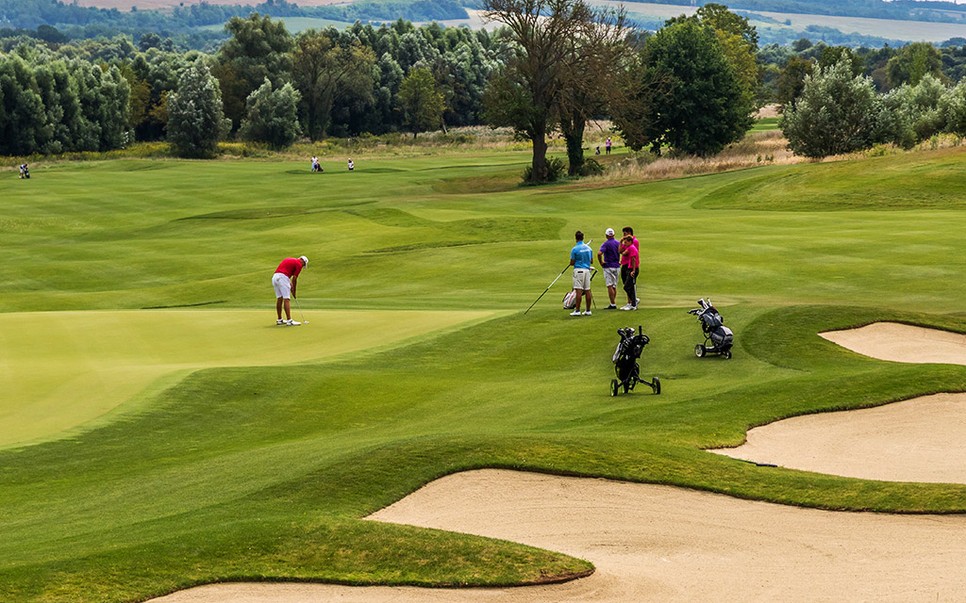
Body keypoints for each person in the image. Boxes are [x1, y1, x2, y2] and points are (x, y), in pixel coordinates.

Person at [273, 255, 308, 326]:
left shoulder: (290, 259)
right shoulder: (299, 264)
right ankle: (289, 320)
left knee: (279, 298)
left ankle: (279, 319)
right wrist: (294, 291)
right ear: (303, 261)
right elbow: (294, 278)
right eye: (304, 264)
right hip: (282, 278)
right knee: (287, 299)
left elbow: (284, 271)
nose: (302, 266)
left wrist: (289, 282)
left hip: (275, 277)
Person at [569, 230, 594, 316]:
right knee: (587, 290)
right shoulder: (589, 248)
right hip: (587, 270)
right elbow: (591, 261)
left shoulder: (575, 249)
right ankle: (588, 310)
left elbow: (572, 262)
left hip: (578, 270)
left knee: (578, 291)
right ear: (583, 238)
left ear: (576, 238)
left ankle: (577, 310)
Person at [597, 228, 620, 309]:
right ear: (613, 234)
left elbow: (599, 253)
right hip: (617, 266)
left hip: (608, 266)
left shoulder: (606, 244)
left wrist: (601, 262)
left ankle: (613, 304)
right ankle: (613, 302)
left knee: (609, 285)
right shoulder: (618, 243)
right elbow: (623, 252)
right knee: (614, 285)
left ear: (606, 235)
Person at [619, 233, 639, 311]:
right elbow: (622, 252)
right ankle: (633, 303)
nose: (625, 244)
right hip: (630, 268)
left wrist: (633, 270)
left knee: (627, 287)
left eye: (626, 242)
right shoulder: (630, 247)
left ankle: (634, 302)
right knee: (629, 287)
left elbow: (634, 259)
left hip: (633, 269)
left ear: (630, 241)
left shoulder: (632, 248)